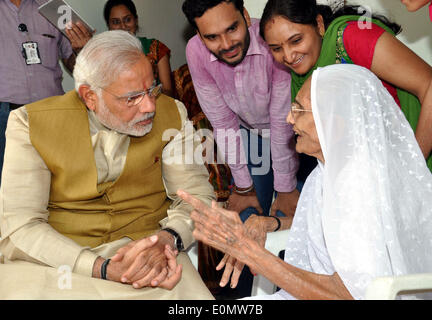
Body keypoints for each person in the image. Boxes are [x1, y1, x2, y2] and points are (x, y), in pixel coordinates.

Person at [178, 64, 432, 300]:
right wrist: (272, 223)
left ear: (334, 121)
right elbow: (330, 227)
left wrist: (254, 254)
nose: (289, 119)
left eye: (299, 110)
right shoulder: (325, 172)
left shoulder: (359, 182)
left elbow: (351, 294)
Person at [0, 30, 215, 299]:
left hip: (149, 255)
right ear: (90, 96)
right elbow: (21, 225)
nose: (149, 106)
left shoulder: (172, 113)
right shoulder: (30, 124)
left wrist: (168, 239)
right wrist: (100, 268)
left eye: (153, 89)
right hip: (60, 259)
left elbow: (197, 197)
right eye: (132, 97)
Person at [182, 0, 299, 297]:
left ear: (245, 16)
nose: (226, 44)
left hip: (295, 131)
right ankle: (246, 296)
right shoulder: (195, 51)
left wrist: (285, 187)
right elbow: (222, 122)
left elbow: (281, 118)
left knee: (293, 214)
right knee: (246, 216)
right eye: (211, 37)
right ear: (197, 35)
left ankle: (292, 288)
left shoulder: (270, 36)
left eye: (232, 28)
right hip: (250, 134)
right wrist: (243, 188)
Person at [259, 0, 432, 176]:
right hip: (375, 173)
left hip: (418, 153)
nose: (288, 56)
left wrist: (412, 170)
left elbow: (429, 85)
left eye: (296, 40)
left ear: (319, 25)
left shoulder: (351, 38)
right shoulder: (301, 71)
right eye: (276, 48)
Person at [0, 0, 75, 186]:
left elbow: (75, 65)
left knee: (59, 186)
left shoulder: (56, 8)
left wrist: (82, 49)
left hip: (53, 114)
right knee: (9, 189)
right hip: (5, 117)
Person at [66, 0, 174, 97]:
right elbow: (82, 74)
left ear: (136, 21)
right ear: (109, 26)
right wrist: (82, 50)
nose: (123, 26)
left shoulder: (155, 47)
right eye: (116, 22)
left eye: (127, 19)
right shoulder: (103, 53)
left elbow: (168, 91)